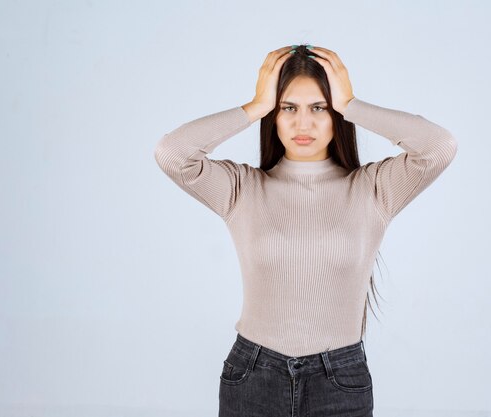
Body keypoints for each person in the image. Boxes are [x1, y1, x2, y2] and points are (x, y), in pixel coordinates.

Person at [154, 44, 458, 417]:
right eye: (288, 108)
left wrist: (352, 104)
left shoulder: (373, 189)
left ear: (336, 116)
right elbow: (172, 153)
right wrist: (254, 107)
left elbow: (439, 146)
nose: (303, 124)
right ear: (274, 117)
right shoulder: (242, 189)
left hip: (339, 379)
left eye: (319, 108)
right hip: (254, 375)